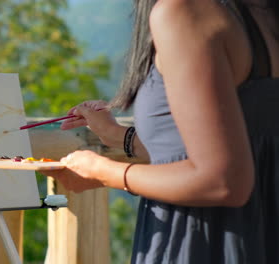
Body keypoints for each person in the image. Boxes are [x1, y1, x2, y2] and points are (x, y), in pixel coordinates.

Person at [44, 0, 279, 263]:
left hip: (203, 243)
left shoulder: (186, 12)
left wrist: (104, 172)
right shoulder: (263, 13)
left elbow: (223, 181)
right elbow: (239, 142)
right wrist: (120, 136)